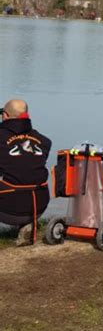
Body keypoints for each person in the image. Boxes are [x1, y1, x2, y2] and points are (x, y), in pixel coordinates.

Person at [0, 99, 51, 245]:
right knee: (24, 172)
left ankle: (23, 224)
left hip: (8, 210)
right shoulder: (43, 141)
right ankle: (27, 225)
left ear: (5, 115)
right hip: (38, 207)